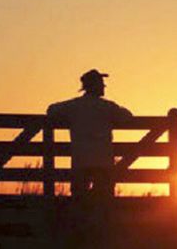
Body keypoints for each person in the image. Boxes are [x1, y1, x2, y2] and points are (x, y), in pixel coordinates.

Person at [46, 69, 133, 207]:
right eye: (101, 83)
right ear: (95, 86)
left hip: (81, 162)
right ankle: (102, 226)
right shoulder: (107, 107)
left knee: (80, 202)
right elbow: (127, 117)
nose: (104, 86)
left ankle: (81, 226)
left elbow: (51, 110)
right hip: (103, 164)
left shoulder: (73, 106)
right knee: (104, 203)